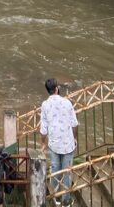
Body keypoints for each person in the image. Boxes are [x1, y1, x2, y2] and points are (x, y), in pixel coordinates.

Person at [39, 79, 78, 207]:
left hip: (54, 144)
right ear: (57, 88)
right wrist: (75, 138)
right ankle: (66, 200)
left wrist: (43, 143)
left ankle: (56, 198)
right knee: (67, 171)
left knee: (55, 169)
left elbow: (43, 129)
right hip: (68, 143)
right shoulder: (67, 102)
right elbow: (74, 124)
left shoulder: (45, 105)